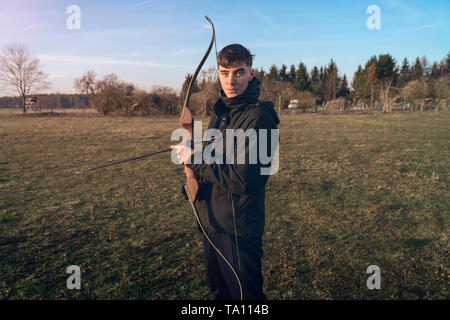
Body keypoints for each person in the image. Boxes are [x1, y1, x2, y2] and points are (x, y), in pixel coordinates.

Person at [172, 44, 279, 300]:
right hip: (212, 221)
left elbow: (243, 178)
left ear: (251, 73)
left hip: (238, 228)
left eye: (239, 72)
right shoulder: (221, 113)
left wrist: (195, 160)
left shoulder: (259, 119)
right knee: (220, 295)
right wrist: (192, 160)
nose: (231, 81)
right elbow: (216, 160)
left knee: (245, 299)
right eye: (224, 72)